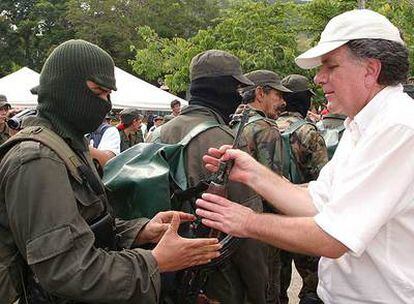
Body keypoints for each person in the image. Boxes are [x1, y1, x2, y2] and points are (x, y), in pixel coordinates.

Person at [196, 9, 414, 304]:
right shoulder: (363, 124)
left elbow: (333, 237)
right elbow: (317, 202)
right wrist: (252, 173)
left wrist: (247, 222)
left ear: (370, 70)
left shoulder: (398, 127)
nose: (319, 78)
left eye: (330, 66)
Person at [0, 39, 221, 304]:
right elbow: (65, 269)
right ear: (64, 90)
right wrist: (155, 261)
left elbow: (84, 226)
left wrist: (142, 230)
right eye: (98, 92)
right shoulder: (37, 160)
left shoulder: (71, 144)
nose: (107, 104)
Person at [149, 49, 268, 304]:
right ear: (220, 90)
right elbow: (247, 230)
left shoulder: (156, 135)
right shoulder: (225, 143)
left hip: (165, 273)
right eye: (236, 90)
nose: (239, 99)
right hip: (216, 282)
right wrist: (260, 293)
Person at [230, 69, 289, 304]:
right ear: (260, 93)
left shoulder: (230, 121)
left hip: (234, 219)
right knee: (268, 289)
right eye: (277, 95)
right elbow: (273, 186)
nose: (282, 102)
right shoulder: (266, 128)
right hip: (262, 224)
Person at [276, 74, 327, 304]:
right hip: (304, 216)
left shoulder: (266, 126)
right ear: (305, 100)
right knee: (313, 283)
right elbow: (323, 178)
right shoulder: (309, 132)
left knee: (276, 283)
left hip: (272, 214)